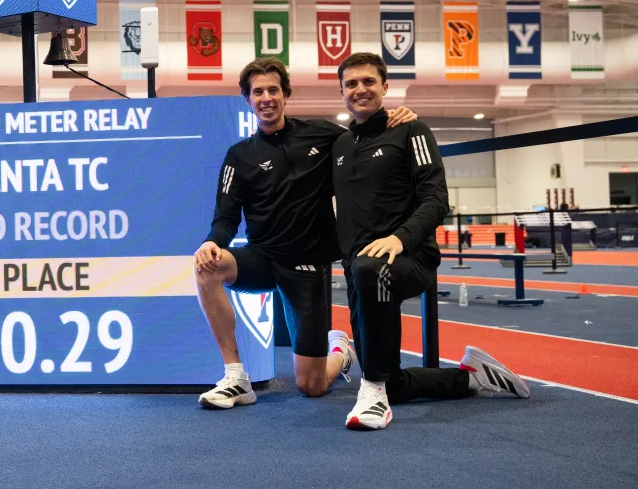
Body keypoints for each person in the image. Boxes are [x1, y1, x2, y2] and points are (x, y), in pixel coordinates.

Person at [194, 57, 417, 409]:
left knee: (311, 386)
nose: (266, 97)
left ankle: (340, 353)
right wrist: (212, 242)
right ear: (248, 100)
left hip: (307, 267)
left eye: (273, 90)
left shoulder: (323, 135)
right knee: (206, 267)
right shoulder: (238, 156)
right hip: (262, 258)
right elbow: (225, 219)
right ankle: (236, 377)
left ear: (286, 95)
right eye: (257, 92)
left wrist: (396, 119)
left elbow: (364, 139)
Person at [332, 52, 530, 430]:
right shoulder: (339, 145)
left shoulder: (411, 131)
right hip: (361, 269)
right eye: (352, 84)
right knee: (395, 383)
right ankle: (473, 377)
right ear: (342, 92)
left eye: (369, 81)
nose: (360, 89)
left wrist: (399, 238)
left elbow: (437, 199)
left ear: (385, 87)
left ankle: (371, 392)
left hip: (410, 258)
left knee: (370, 274)